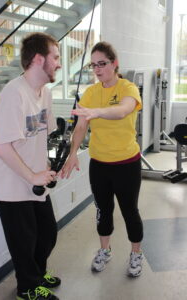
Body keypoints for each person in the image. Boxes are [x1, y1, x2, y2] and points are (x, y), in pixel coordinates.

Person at [0, 32, 62, 300]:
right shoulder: (13, 94)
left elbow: (43, 134)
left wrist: (52, 164)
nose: (59, 63)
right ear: (39, 59)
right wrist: (32, 175)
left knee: (47, 235)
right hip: (9, 183)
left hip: (34, 179)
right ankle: (27, 288)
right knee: (24, 241)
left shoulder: (45, 93)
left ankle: (36, 276)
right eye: (56, 57)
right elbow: (1, 147)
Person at [61, 41, 143, 277]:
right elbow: (80, 127)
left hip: (127, 163)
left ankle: (136, 253)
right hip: (99, 164)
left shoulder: (128, 88)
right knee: (102, 211)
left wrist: (96, 112)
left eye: (102, 64)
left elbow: (123, 110)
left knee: (130, 211)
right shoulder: (91, 92)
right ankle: (104, 250)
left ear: (114, 64)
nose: (97, 70)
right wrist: (73, 153)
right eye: (93, 65)